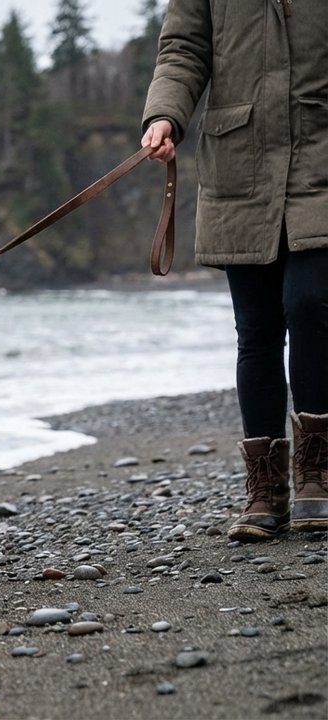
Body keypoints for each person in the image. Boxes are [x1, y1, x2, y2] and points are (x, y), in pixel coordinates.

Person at [141, 0, 327, 541]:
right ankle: (266, 492)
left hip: (320, 154)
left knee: (312, 303)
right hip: (239, 163)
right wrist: (164, 115)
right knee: (259, 329)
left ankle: (317, 475)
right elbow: (184, 48)